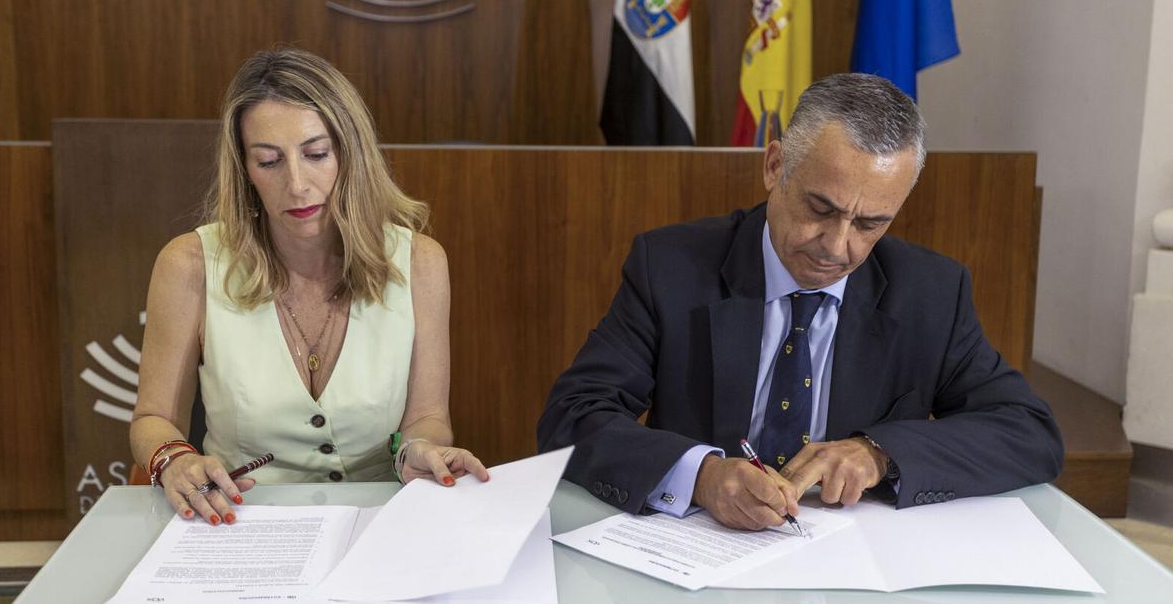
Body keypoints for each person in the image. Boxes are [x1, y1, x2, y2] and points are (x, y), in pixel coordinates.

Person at [537, 73, 1063, 531]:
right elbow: (571, 417)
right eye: (820, 208)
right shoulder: (671, 267)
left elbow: (1028, 433)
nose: (837, 247)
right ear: (774, 166)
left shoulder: (931, 292)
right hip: (698, 556)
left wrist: (880, 454)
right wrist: (700, 476)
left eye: (869, 223)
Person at [131, 46, 488, 526]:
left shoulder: (420, 262)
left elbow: (426, 419)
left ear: (351, 152)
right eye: (269, 161)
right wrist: (175, 459)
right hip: (239, 518)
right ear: (244, 170)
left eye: (316, 154)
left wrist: (419, 451)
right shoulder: (190, 263)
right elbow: (153, 418)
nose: (297, 184)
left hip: (378, 521)